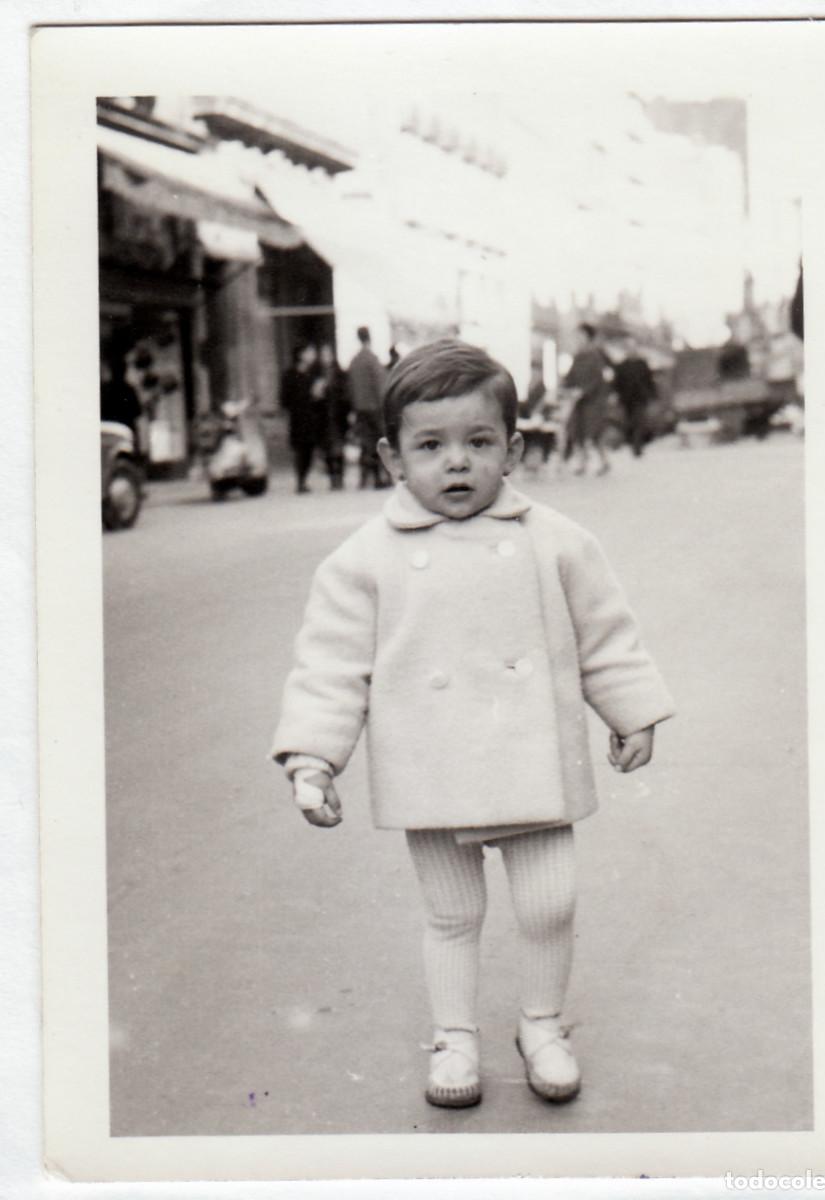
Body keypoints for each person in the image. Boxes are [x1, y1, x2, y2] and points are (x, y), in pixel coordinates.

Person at [271, 339, 674, 1111]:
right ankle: (455, 1035)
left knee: (550, 903)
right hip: (434, 768)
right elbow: (329, 667)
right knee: (451, 914)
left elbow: (605, 632)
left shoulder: (555, 539)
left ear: (512, 448)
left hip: (535, 763)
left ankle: (541, 1024)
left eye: (478, 442)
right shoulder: (362, 561)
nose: (456, 464)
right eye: (430, 446)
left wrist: (631, 710)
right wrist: (311, 760)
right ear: (391, 458)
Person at [561, 323, 612, 476]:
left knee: (594, 433)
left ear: (588, 337)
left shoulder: (595, 356)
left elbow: (597, 379)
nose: (578, 339)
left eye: (581, 335)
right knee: (578, 432)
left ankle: (604, 461)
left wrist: (583, 391)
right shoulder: (578, 356)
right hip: (579, 402)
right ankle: (583, 463)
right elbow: (570, 376)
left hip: (593, 401)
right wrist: (565, 384)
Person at [347, 326, 389, 488]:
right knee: (379, 442)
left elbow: (350, 387)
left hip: (360, 408)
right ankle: (380, 478)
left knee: (365, 443)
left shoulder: (354, 361)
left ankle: (364, 479)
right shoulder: (372, 359)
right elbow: (380, 385)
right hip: (374, 408)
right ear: (369, 338)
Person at [280, 343, 323, 493]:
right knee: (300, 449)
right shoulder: (290, 375)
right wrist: (308, 395)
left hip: (311, 418)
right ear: (301, 354)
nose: (313, 355)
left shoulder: (312, 374)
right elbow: (284, 399)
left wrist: (317, 395)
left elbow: (318, 399)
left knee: (309, 449)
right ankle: (300, 480)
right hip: (298, 418)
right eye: (310, 352)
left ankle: (303, 479)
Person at [612, 337, 657, 458]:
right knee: (630, 422)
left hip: (641, 398)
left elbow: (650, 380)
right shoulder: (621, 366)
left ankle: (637, 447)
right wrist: (616, 396)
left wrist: (652, 395)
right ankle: (634, 444)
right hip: (627, 399)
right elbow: (617, 383)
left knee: (640, 421)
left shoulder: (642, 364)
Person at [316, 343, 351, 490]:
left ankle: (340, 476)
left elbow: (345, 395)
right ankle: (332, 477)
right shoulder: (317, 375)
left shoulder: (340, 373)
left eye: (328, 354)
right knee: (328, 449)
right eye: (323, 355)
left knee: (339, 448)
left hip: (338, 416)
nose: (326, 358)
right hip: (324, 418)